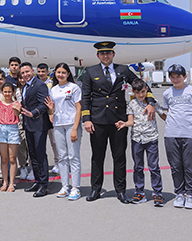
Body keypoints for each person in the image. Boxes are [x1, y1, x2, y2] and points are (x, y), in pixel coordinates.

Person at [81, 41, 156, 204]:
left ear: (113, 54)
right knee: (97, 156)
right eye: (102, 53)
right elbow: (85, 97)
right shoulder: (90, 71)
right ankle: (95, 189)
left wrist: (150, 102)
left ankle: (121, 191)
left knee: (119, 156)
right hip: (98, 121)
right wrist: (86, 119)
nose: (105, 56)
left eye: (108, 53)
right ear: (98, 55)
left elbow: (142, 85)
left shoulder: (123, 70)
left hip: (119, 121)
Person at [115, 78, 167, 206]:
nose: (141, 95)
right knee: (138, 167)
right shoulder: (132, 104)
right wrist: (124, 124)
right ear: (133, 92)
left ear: (147, 90)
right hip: (137, 139)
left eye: (143, 91)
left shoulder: (152, 103)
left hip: (151, 139)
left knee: (154, 167)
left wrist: (175, 122)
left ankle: (158, 193)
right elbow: (131, 121)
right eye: (137, 92)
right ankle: (140, 192)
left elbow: (163, 115)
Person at [162, 64, 192, 210]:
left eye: (178, 76)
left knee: (190, 166)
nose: (175, 79)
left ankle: (190, 194)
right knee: (175, 166)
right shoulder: (167, 93)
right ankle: (180, 193)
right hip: (171, 134)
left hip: (190, 134)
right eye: (172, 77)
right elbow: (169, 112)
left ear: (184, 77)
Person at [44, 63, 82, 200]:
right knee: (62, 157)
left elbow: (79, 108)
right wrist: (51, 109)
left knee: (73, 156)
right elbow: (51, 111)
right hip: (58, 125)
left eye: (63, 72)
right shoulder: (53, 90)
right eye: (58, 72)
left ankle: (76, 187)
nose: (60, 75)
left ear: (68, 74)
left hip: (71, 124)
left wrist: (75, 128)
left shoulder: (74, 88)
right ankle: (65, 186)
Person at [19, 62, 50, 197]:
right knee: (33, 154)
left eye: (27, 72)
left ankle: (44, 185)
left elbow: (44, 104)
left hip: (39, 124)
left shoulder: (40, 85)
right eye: (23, 73)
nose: (25, 75)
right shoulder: (25, 86)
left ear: (32, 71)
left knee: (40, 154)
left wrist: (33, 113)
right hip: (28, 125)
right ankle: (37, 181)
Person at [0, 82, 21, 192]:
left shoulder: (16, 103)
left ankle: (12, 182)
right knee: (4, 158)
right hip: (1, 129)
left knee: (12, 158)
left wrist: (15, 107)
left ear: (13, 92)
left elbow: (17, 115)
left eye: (9, 91)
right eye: (5, 91)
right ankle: (5, 181)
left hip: (13, 129)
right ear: (2, 92)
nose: (7, 94)